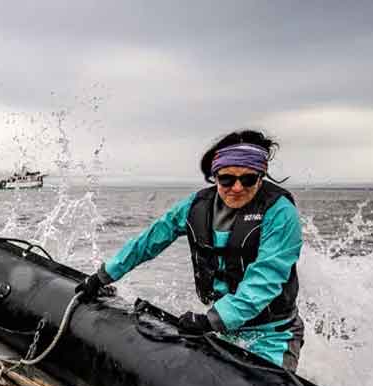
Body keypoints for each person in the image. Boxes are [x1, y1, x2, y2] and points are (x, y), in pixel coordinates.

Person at [75, 130, 305, 371]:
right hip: (223, 328)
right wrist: (102, 276)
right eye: (227, 179)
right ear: (215, 176)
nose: (237, 188)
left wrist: (210, 321)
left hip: (272, 334)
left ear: (261, 176)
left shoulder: (280, 212)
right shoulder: (196, 206)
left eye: (248, 179)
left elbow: (265, 279)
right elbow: (148, 241)